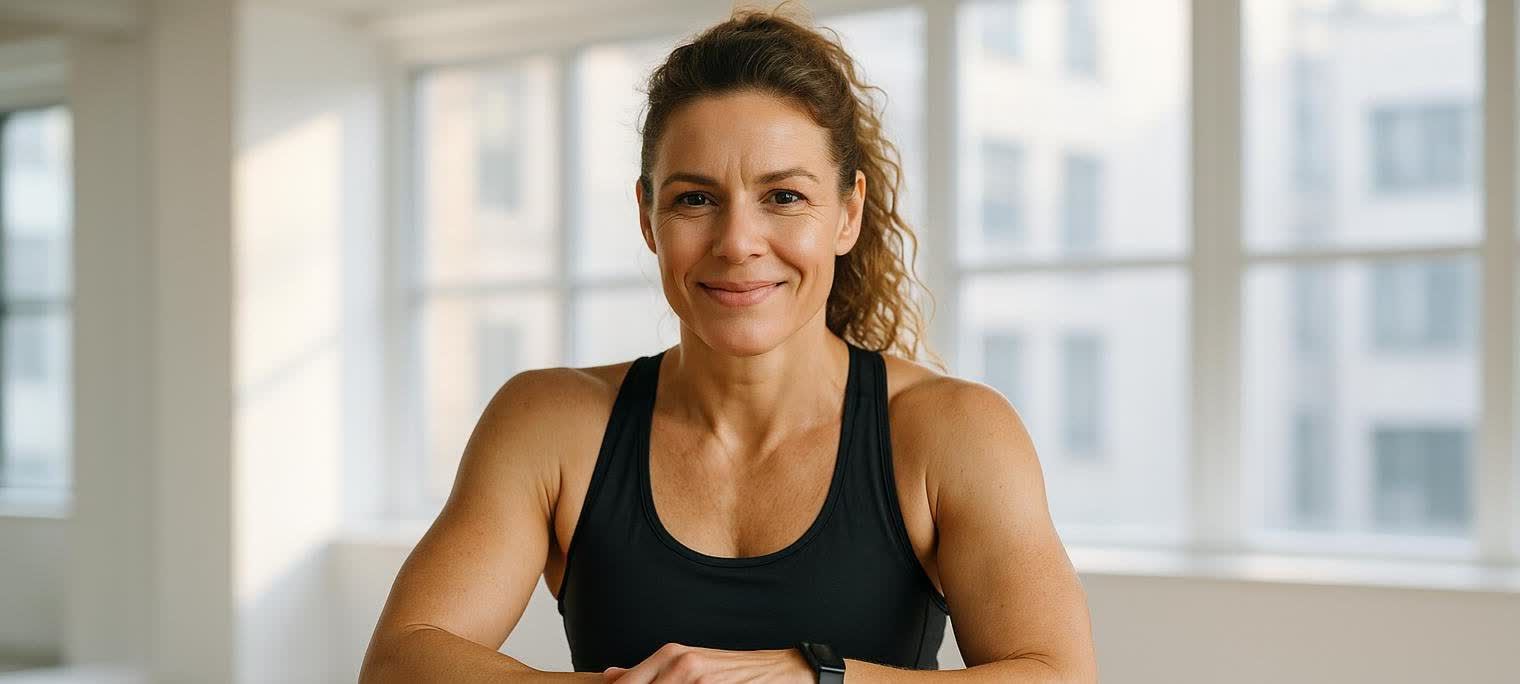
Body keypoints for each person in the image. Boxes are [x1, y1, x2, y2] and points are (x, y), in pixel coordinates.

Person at [360, 5, 1096, 683]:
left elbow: (1059, 675)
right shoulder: (548, 423)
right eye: (695, 199)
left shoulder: (953, 432)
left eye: (784, 196)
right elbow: (400, 659)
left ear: (847, 214)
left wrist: (815, 677)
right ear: (648, 219)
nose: (738, 242)